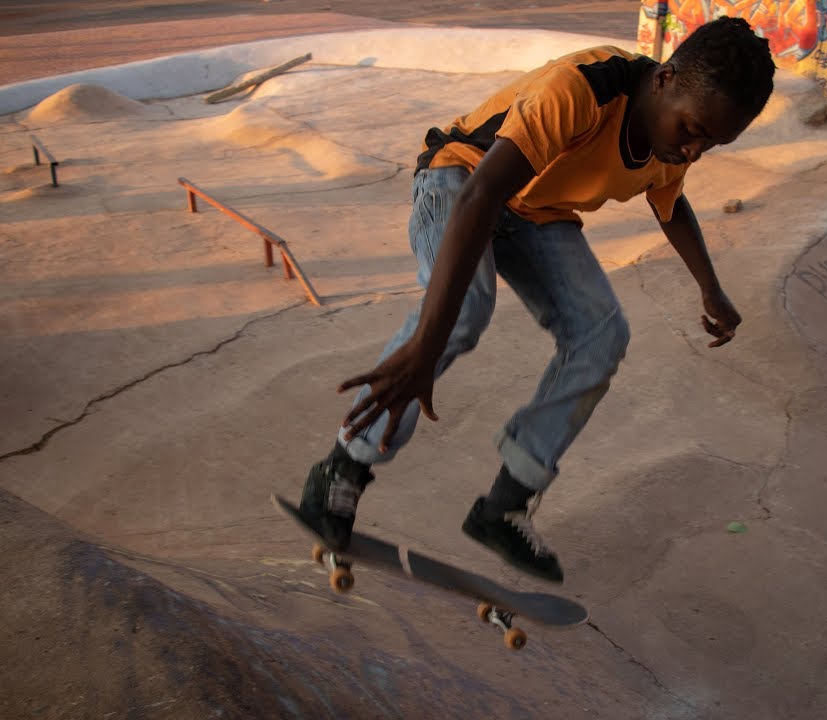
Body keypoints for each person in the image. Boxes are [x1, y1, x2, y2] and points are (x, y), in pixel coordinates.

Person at [293, 16, 776, 584]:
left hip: (536, 213)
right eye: (692, 130)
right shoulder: (583, 89)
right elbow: (481, 195)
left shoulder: (672, 143)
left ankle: (506, 504)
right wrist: (425, 347)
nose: (695, 149)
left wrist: (710, 287)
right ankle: (341, 470)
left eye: (713, 143)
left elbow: (671, 205)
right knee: (463, 310)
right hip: (461, 179)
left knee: (602, 334)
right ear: (665, 79)